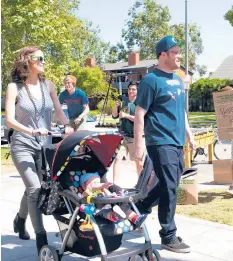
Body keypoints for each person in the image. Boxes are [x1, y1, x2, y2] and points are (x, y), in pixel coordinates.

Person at [5, 46, 74, 255]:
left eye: (44, 57)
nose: (44, 61)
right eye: (39, 58)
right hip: (22, 144)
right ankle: (41, 239)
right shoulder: (14, 88)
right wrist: (32, 129)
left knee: (33, 187)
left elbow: (59, 111)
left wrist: (68, 125)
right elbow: (9, 120)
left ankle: (20, 219)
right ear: (27, 61)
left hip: (44, 147)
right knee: (35, 188)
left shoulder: (49, 85)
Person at [132, 35, 196, 253]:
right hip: (159, 141)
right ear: (163, 55)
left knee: (170, 183)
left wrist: (189, 133)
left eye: (178, 52)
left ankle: (140, 207)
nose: (179, 56)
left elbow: (181, 111)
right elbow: (140, 113)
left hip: (177, 141)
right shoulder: (151, 80)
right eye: (175, 52)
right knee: (170, 186)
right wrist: (138, 144)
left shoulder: (178, 80)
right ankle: (168, 235)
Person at [79, 172, 147, 229]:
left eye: (98, 182)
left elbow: (109, 196)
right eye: (93, 182)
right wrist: (101, 185)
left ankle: (136, 219)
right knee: (106, 212)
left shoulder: (102, 190)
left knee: (125, 208)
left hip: (111, 204)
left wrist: (112, 195)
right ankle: (115, 216)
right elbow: (84, 197)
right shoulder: (86, 192)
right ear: (84, 186)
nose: (97, 184)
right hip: (99, 209)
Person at [112, 81, 143, 183]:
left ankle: (142, 184)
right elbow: (114, 115)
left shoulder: (140, 103)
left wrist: (126, 116)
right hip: (121, 136)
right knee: (117, 160)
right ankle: (114, 185)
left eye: (133, 89)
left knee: (138, 163)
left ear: (137, 91)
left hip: (134, 137)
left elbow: (140, 119)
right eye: (129, 89)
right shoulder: (123, 101)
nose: (131, 91)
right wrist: (116, 106)